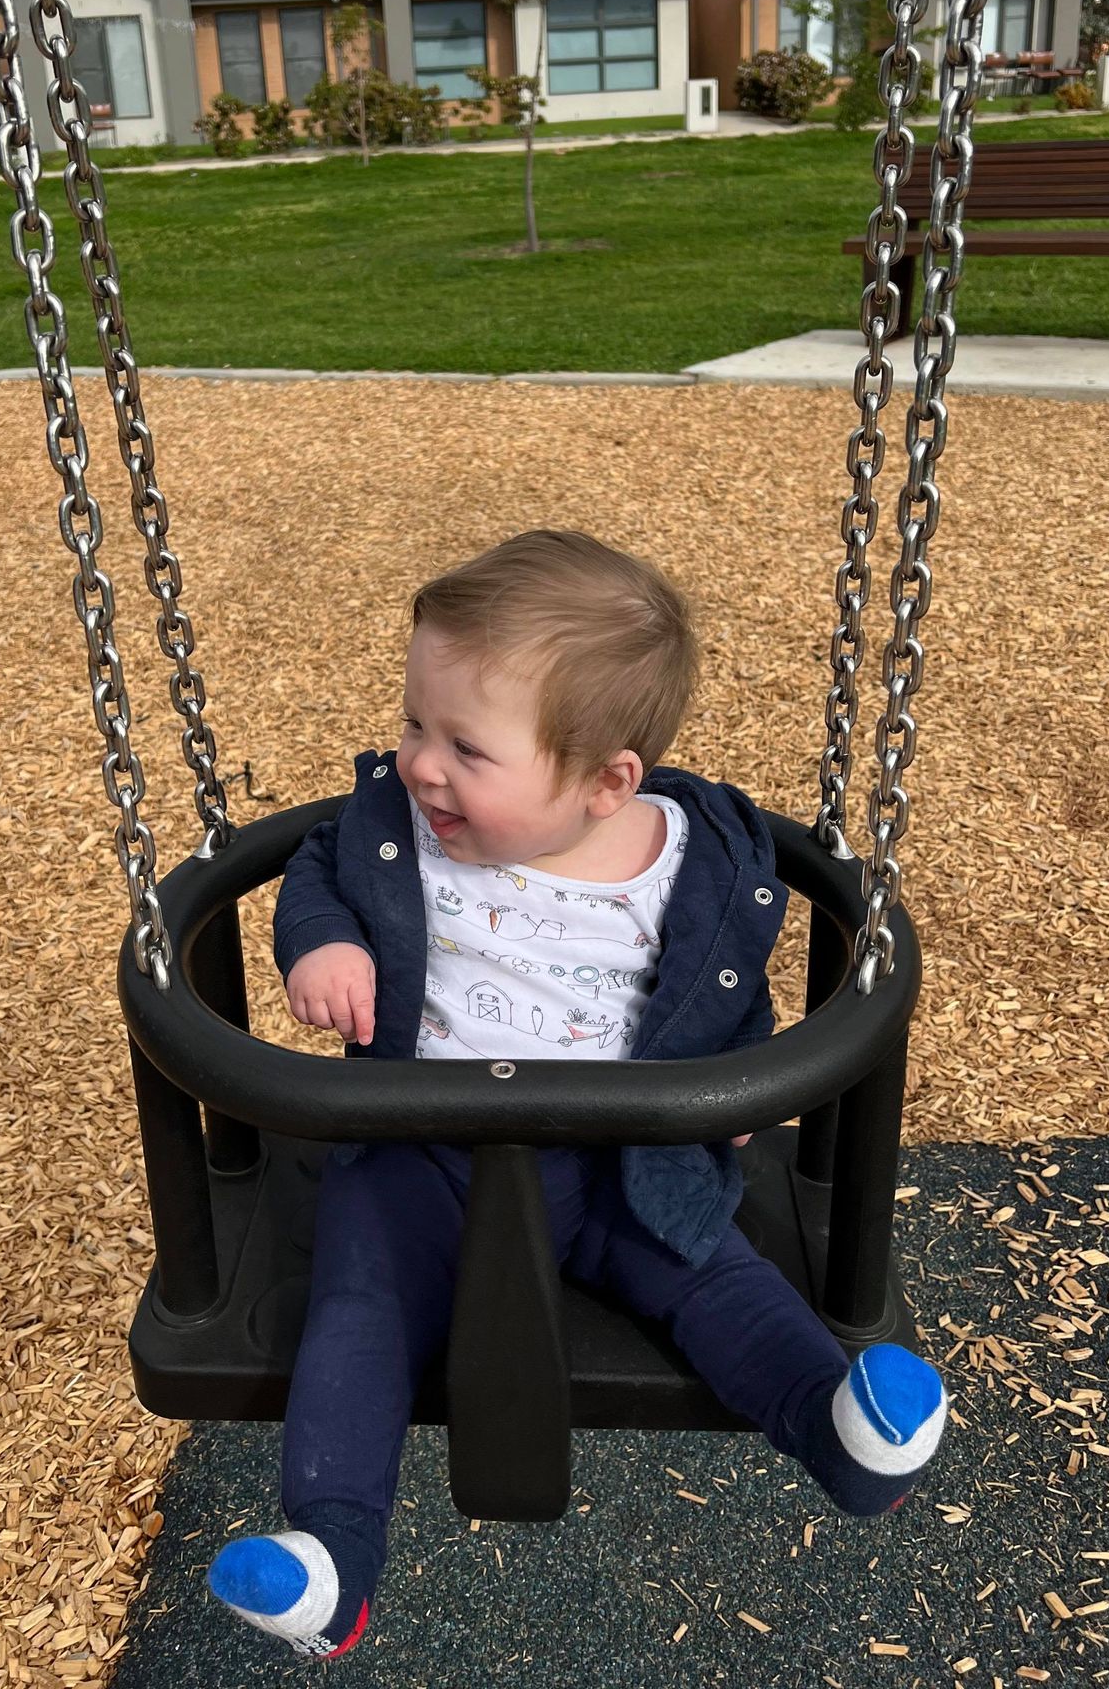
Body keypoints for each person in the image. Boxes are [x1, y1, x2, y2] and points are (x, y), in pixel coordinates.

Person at [207, 530, 946, 1660]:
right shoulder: (400, 827)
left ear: (609, 783)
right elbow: (318, 871)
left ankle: (838, 1429)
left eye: (465, 745)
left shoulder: (690, 863)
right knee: (356, 1310)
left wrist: (729, 1084)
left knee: (714, 1276)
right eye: (414, 723)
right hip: (419, 1148)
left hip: (621, 1157)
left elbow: (716, 979)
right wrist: (323, 948)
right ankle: (334, 1559)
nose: (419, 764)